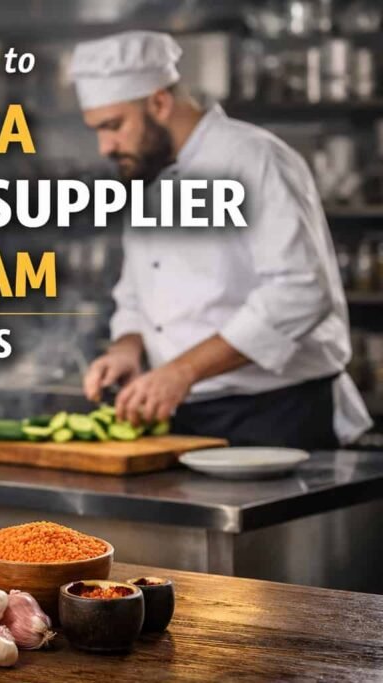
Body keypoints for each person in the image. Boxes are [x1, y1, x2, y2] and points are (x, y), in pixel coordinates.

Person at [70, 31, 371, 448]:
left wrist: (183, 371)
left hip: (277, 412)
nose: (105, 146)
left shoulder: (253, 157)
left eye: (113, 126)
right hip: (183, 413)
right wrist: (127, 347)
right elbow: (137, 294)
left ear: (159, 103)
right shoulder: (146, 172)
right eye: (97, 130)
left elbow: (300, 291)